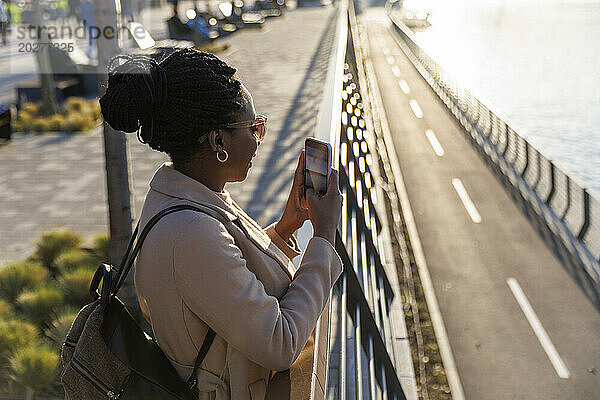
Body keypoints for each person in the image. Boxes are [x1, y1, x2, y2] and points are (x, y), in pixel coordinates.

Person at [99, 49, 343, 400]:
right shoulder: (191, 233)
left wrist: (286, 227)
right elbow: (280, 342)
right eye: (253, 127)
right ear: (218, 141)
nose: (259, 138)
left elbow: (227, 279)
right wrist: (323, 237)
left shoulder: (182, 196)